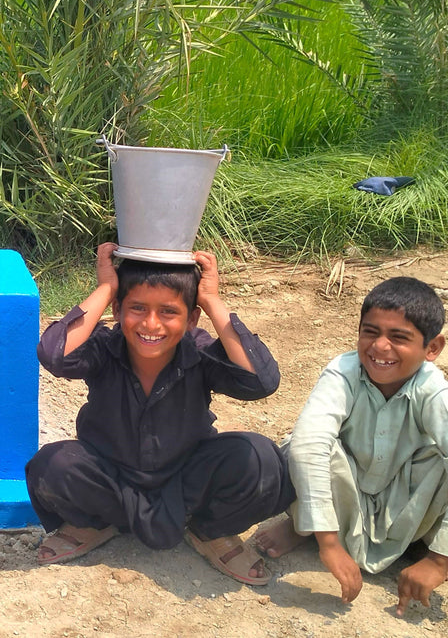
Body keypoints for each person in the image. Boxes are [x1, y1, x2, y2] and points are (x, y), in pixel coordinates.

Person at [26, 243, 293, 585]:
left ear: (191, 317)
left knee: (260, 459)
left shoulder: (199, 351)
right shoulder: (105, 348)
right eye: (137, 308)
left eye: (168, 311)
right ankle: (93, 523)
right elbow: (53, 354)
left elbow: (262, 380)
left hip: (187, 480)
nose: (151, 324)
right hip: (110, 478)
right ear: (118, 310)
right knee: (53, 464)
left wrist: (211, 300)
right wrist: (107, 288)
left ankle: (210, 531)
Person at [252, 276, 448, 614]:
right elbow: (310, 444)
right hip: (347, 490)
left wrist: (440, 561)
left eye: (399, 337)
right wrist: (328, 542)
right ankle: (309, 528)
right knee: (300, 447)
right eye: (370, 332)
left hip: (405, 507)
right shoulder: (343, 372)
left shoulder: (432, 389)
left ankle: (427, 552)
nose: (380, 347)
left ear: (432, 348)